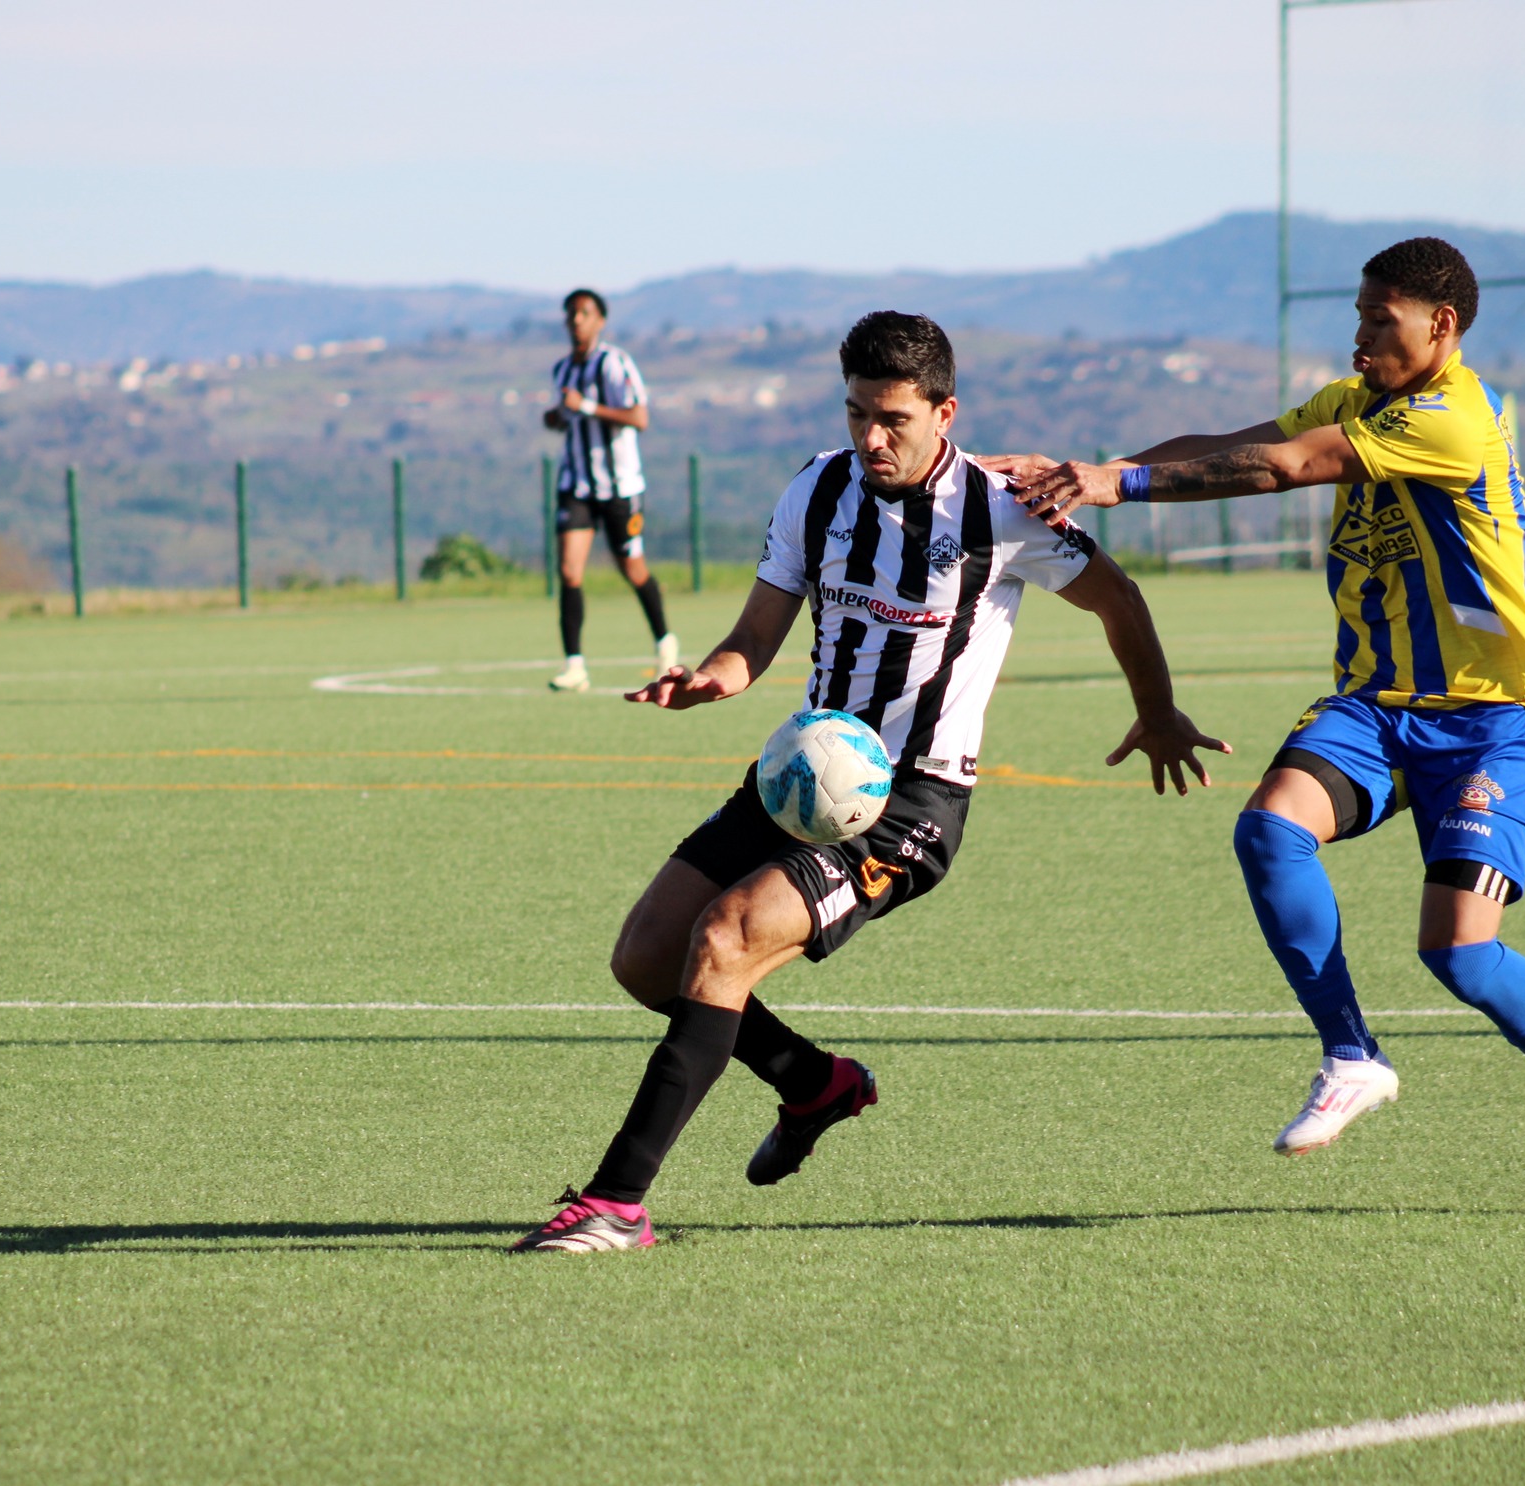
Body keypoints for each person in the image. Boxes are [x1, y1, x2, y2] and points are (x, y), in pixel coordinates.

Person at [513, 311, 1229, 1252]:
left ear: (946, 411)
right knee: (646, 957)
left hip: (906, 808)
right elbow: (756, 637)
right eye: (857, 414)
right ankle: (815, 1083)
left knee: (725, 940)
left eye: (892, 418)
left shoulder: (1004, 509)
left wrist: (1160, 709)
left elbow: (1119, 598)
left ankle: (615, 1203)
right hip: (798, 776)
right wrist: (711, 679)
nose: (870, 438)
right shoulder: (816, 490)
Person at [989, 238, 1525, 1215]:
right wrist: (1086, 470)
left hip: (1488, 720)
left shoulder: (1452, 417)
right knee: (1267, 828)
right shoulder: (1352, 397)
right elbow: (1225, 444)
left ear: (1440, 325)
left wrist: (1115, 487)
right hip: (1372, 704)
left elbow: (1286, 467)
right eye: (1360, 315)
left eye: (1382, 318)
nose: (1362, 332)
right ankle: (1349, 1052)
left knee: (1457, 953)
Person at [544, 288, 678, 692]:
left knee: (632, 568)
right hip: (577, 486)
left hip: (619, 488)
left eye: (584, 313)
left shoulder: (615, 364)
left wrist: (586, 407)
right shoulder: (562, 370)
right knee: (569, 570)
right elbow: (566, 420)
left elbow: (639, 417)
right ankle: (574, 665)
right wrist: (557, 416)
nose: (576, 320)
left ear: (600, 320)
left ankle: (665, 640)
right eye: (571, 314)